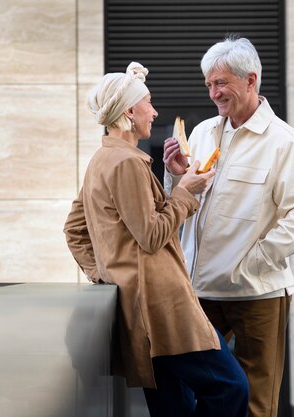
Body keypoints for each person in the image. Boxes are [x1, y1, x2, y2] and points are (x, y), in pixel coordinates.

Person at [64, 62, 248, 417]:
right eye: (148, 102)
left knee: (172, 405)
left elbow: (74, 229)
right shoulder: (127, 163)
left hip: (140, 308)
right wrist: (188, 191)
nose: (155, 111)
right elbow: (150, 236)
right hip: (162, 307)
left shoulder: (102, 160)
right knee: (231, 387)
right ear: (130, 112)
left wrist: (105, 272)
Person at [163, 36, 294, 417]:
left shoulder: (284, 142)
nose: (214, 93)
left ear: (251, 80)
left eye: (222, 83)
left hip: (256, 294)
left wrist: (252, 261)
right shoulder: (201, 133)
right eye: (209, 85)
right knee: (196, 391)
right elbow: (186, 205)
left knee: (255, 401)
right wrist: (174, 179)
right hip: (198, 291)